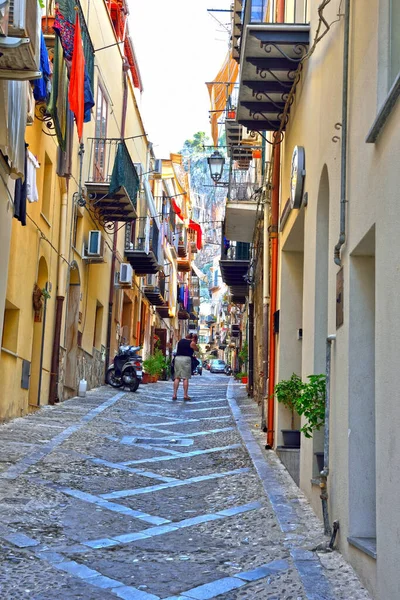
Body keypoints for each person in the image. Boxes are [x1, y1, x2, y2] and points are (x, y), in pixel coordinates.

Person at [172, 333, 198, 401]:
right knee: (185, 378)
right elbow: (197, 349)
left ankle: (174, 394)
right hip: (186, 359)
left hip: (177, 358)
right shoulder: (192, 343)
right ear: (193, 338)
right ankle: (185, 395)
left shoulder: (180, 341)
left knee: (177, 377)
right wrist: (195, 343)